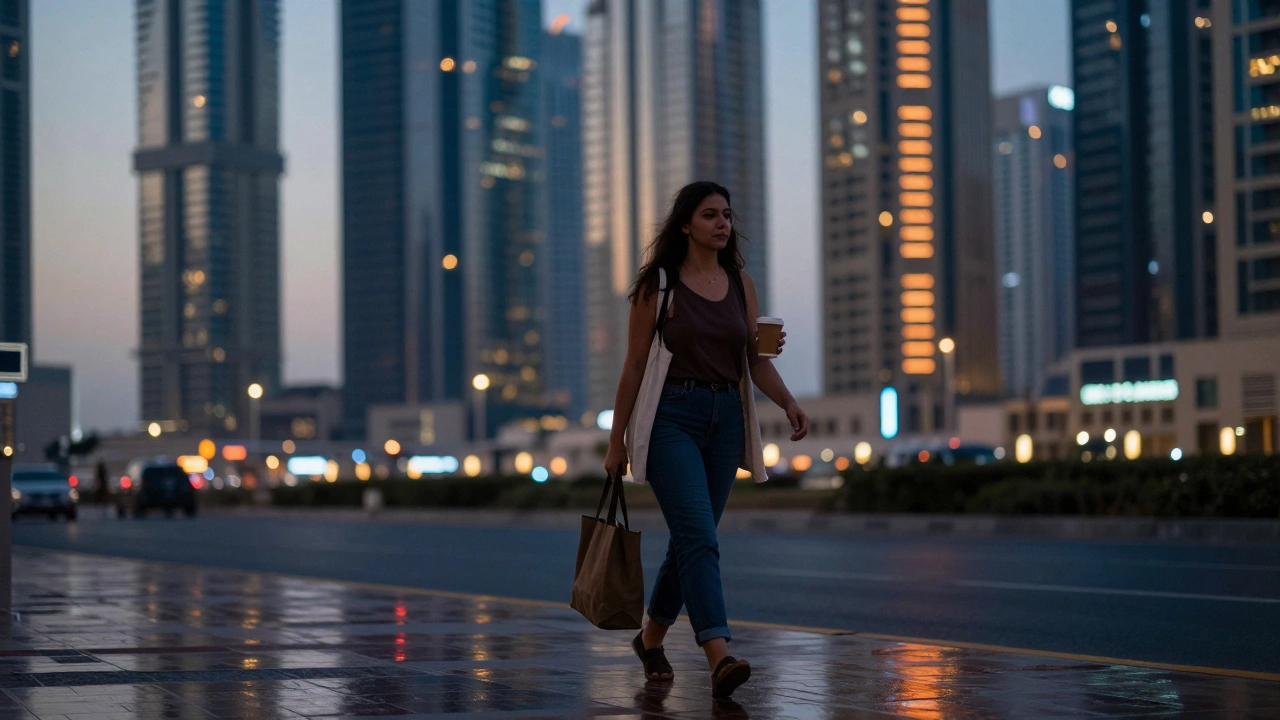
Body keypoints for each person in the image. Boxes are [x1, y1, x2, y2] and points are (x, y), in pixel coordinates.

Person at [604, 181, 809, 699]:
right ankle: (718, 655)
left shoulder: (741, 284)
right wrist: (616, 442)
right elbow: (631, 367)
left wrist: (788, 402)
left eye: (726, 215)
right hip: (672, 416)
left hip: (726, 420)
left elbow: (756, 363)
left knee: (691, 538)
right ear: (685, 225)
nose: (722, 224)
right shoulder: (660, 285)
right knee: (700, 537)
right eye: (710, 215)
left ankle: (650, 641)